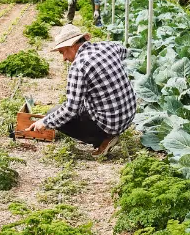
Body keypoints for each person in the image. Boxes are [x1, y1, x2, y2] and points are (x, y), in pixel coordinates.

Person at [29, 24, 136, 156]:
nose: (64, 58)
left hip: (110, 124)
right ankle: (109, 131)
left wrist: (45, 122)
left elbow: (70, 109)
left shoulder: (79, 66)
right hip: (128, 116)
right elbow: (125, 51)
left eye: (63, 52)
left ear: (72, 45)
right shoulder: (108, 47)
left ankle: (104, 138)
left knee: (54, 113)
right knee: (81, 102)